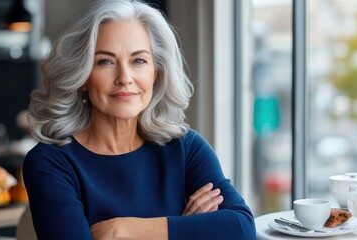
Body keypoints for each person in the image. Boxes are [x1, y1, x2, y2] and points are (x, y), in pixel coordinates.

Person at [22, 0, 256, 239]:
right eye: (105, 61)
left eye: (139, 60)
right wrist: (186, 229)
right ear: (82, 77)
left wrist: (123, 230)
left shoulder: (186, 148)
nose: (125, 77)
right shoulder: (50, 163)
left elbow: (242, 228)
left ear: (156, 73)